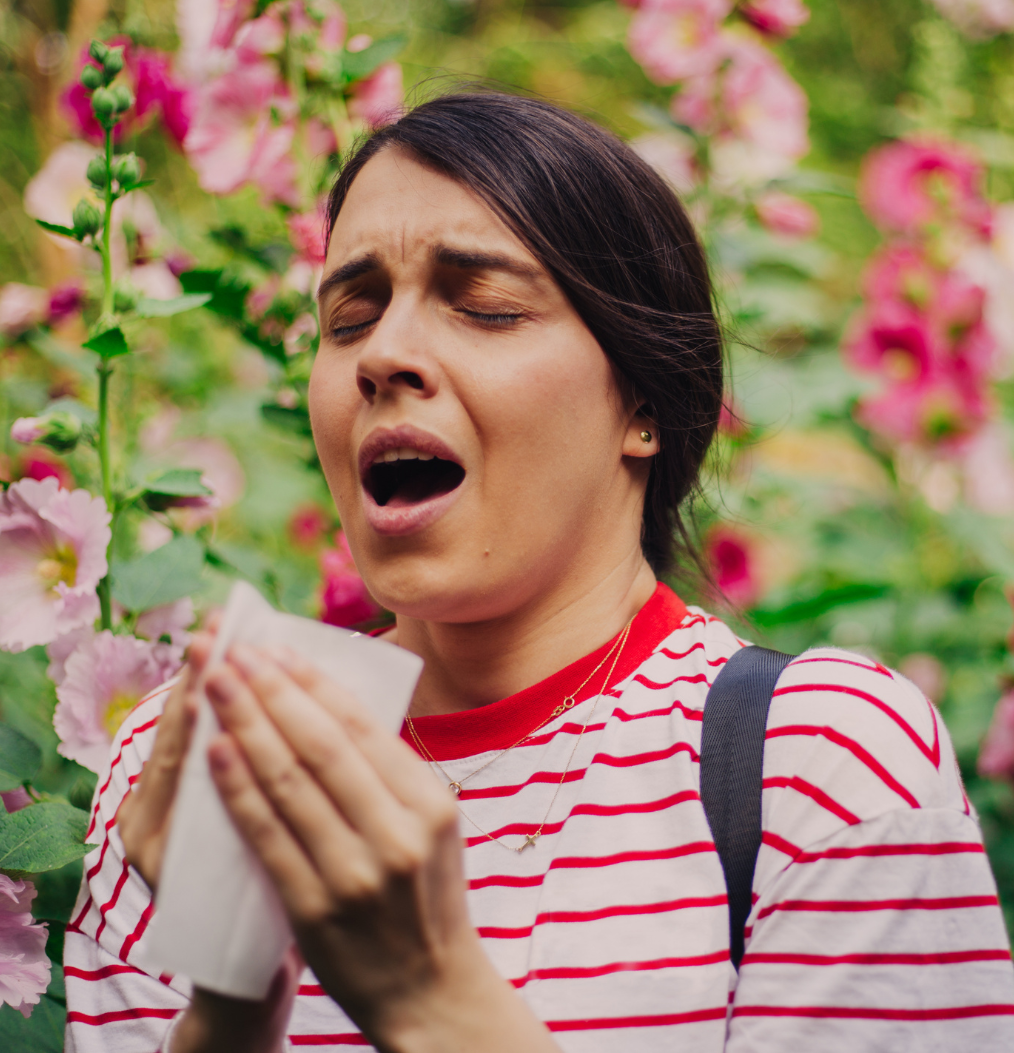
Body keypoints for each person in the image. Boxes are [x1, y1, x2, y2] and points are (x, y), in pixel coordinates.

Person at [64, 92, 1014, 1053]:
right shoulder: (189, 765)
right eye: (349, 318)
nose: (384, 353)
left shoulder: (818, 767)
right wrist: (230, 1007)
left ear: (642, 401)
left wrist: (428, 1002)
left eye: (485, 306)